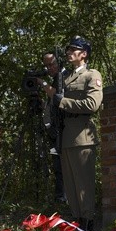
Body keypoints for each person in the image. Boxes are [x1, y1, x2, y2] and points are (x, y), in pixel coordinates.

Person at [42, 36, 103, 231]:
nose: (69, 52)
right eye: (68, 50)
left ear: (83, 54)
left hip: (82, 136)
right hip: (65, 136)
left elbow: (92, 104)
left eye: (73, 49)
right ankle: (77, 222)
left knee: (84, 185)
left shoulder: (91, 75)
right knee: (70, 185)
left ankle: (88, 224)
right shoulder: (64, 77)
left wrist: (62, 101)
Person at [40, 51, 69, 203]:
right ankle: (60, 197)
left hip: (64, 130)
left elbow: (57, 96)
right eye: (46, 65)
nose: (49, 68)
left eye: (52, 64)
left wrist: (42, 83)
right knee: (57, 165)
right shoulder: (54, 79)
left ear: (59, 62)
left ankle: (68, 198)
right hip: (53, 131)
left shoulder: (66, 76)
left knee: (66, 165)